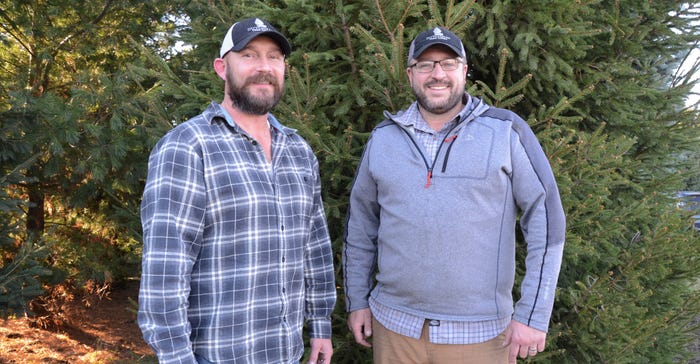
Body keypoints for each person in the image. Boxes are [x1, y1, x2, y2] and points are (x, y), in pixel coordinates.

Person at [342, 26, 566, 364]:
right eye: (425, 65)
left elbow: (547, 221)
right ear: (410, 74)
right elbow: (360, 225)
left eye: (448, 63)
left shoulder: (506, 131)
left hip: (482, 336)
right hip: (394, 331)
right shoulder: (383, 138)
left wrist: (533, 313)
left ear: (463, 70)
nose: (437, 74)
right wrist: (357, 300)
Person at [138, 17, 336, 364]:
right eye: (248, 55)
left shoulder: (298, 150)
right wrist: (176, 357)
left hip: (287, 353)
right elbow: (164, 274)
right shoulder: (187, 147)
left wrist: (320, 324)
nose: (264, 67)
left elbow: (314, 244)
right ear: (221, 67)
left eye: (274, 57)